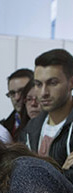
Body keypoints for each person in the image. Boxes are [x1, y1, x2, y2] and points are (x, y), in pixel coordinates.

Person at [19, 49, 73, 183]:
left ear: (71, 83)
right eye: (38, 84)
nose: (43, 93)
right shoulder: (31, 128)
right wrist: (62, 172)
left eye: (52, 83)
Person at [1, 69, 33, 140]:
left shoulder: (46, 124)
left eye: (22, 91)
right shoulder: (3, 128)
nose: (17, 98)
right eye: (12, 93)